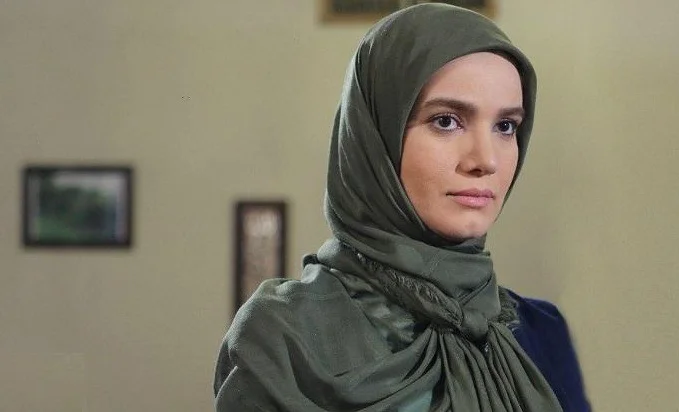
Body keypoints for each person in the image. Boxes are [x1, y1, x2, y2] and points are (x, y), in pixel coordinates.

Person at [214, 3, 590, 411]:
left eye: (506, 126)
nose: (486, 160)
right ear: (375, 138)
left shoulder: (542, 332)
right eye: (446, 121)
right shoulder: (284, 338)